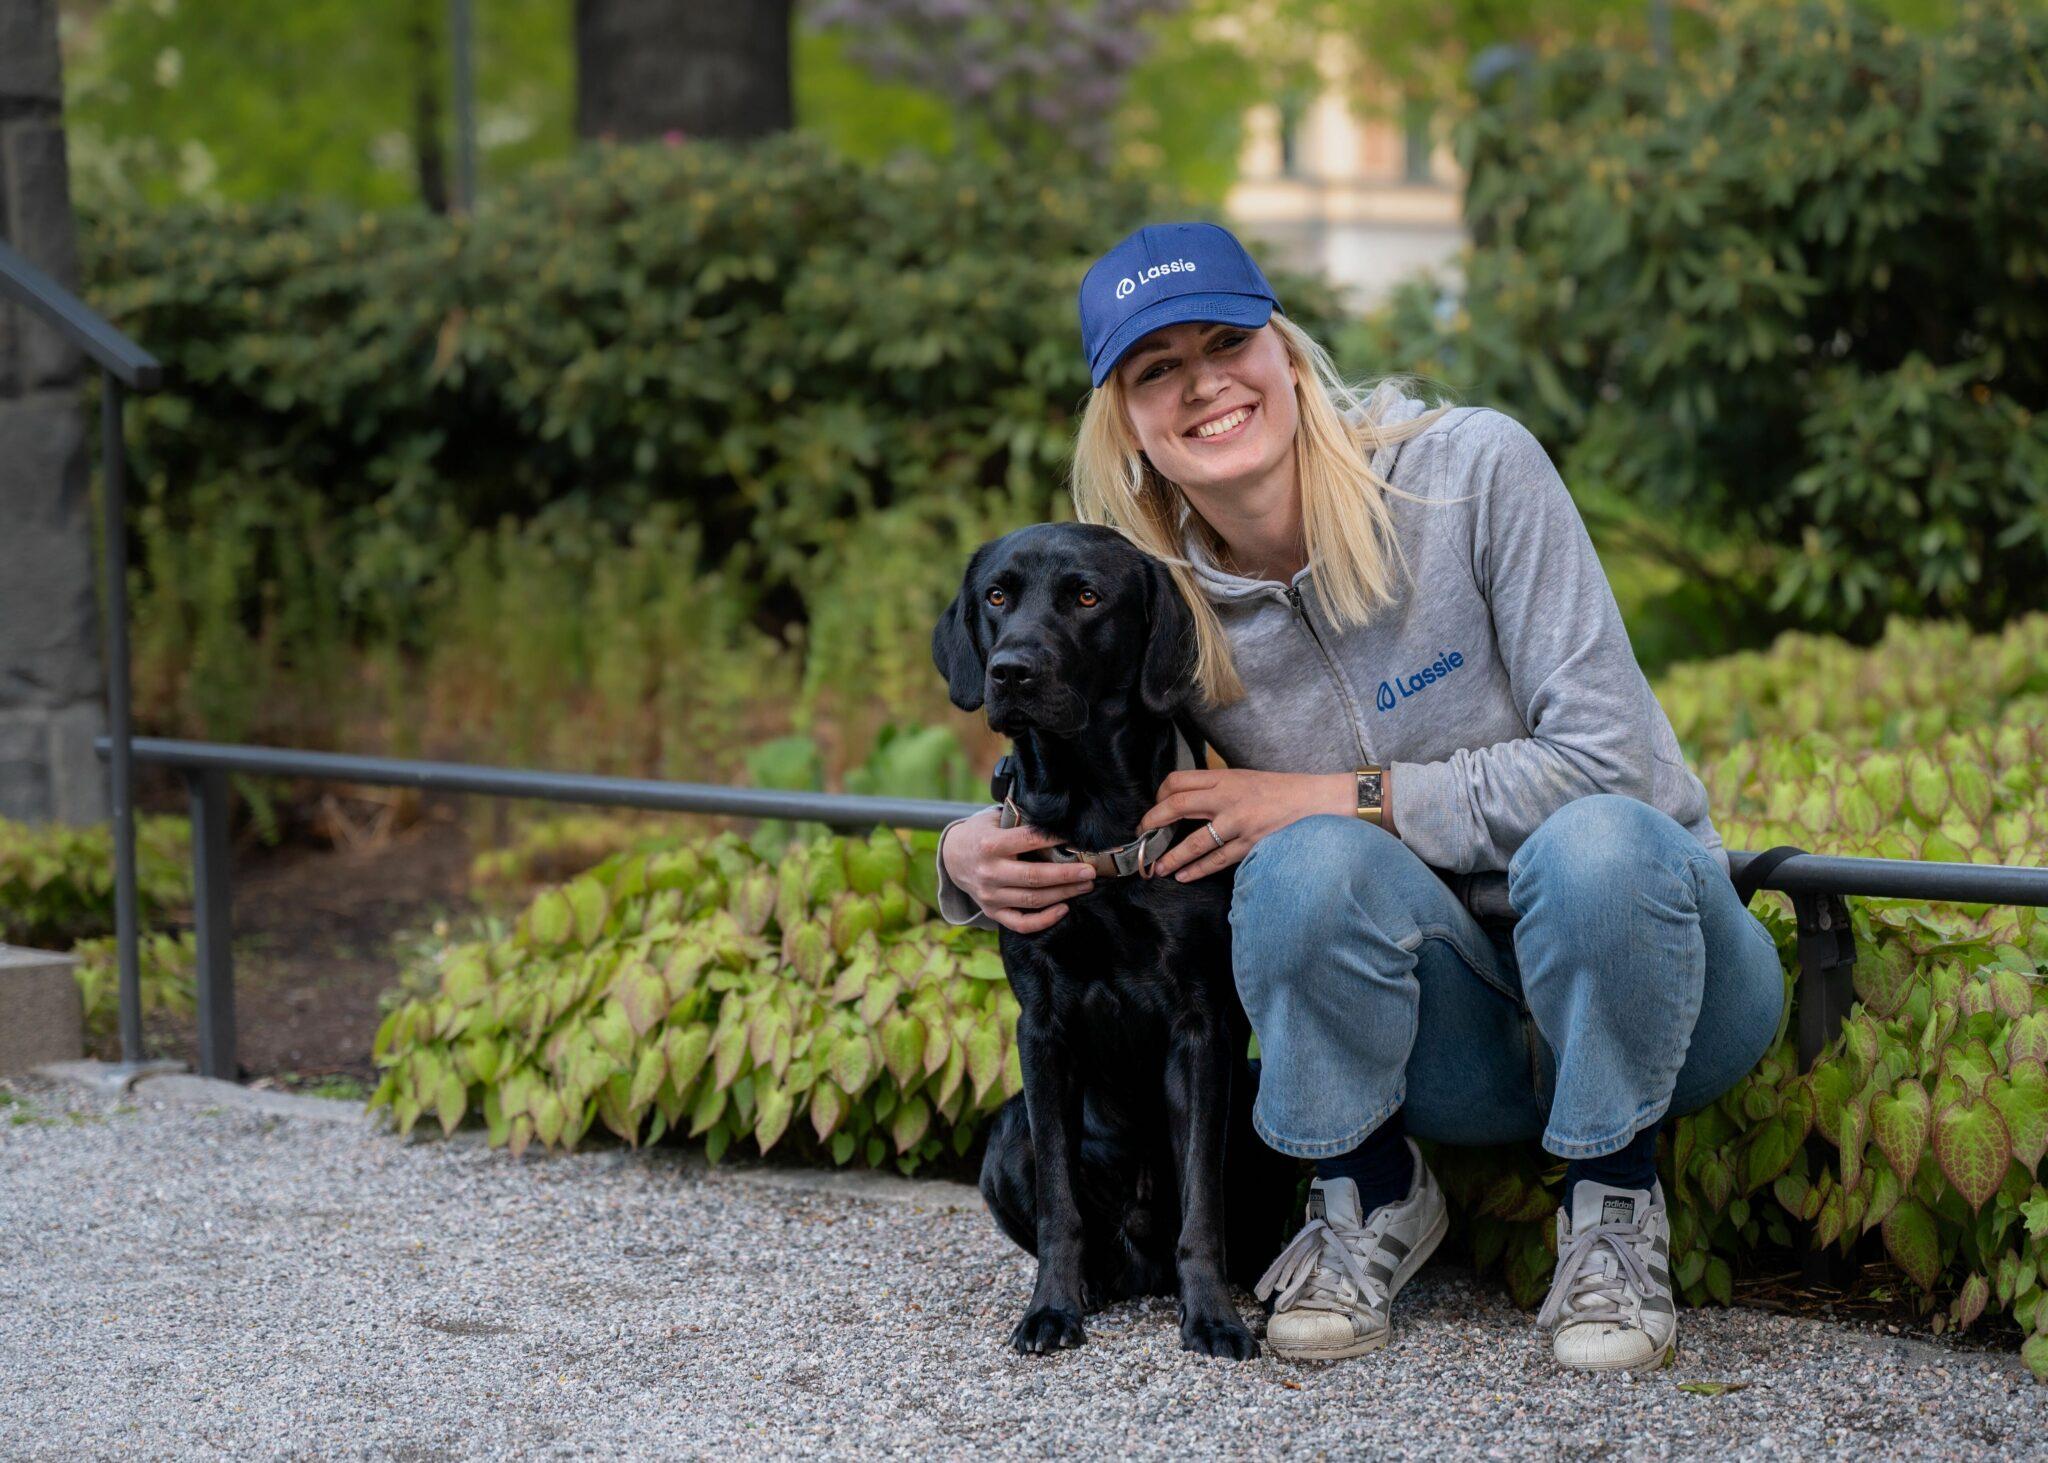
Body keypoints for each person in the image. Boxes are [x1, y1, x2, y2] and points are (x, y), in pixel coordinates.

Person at [933, 220, 1784, 1372]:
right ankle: (1374, 1190)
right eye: (1154, 369)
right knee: (1293, 867)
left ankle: (1614, 1202)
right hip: (1448, 1045)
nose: (1201, 385)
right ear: (1125, 418)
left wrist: (1333, 791)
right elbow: (1087, 782)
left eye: (1224, 341)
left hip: (1667, 982)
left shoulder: (1473, 472)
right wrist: (961, 858)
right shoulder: (1150, 604)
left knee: (1587, 842)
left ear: (1281, 349)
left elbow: (1613, 764)